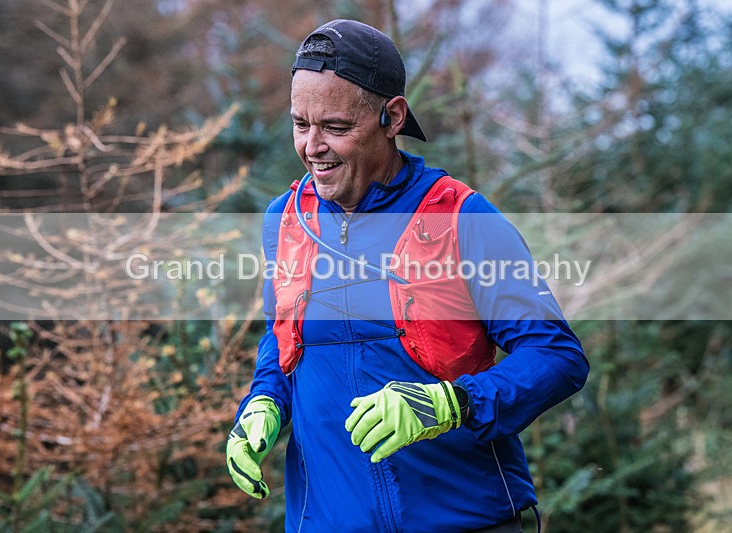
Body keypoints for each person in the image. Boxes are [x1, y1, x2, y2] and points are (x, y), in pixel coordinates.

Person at [226, 19, 589, 533]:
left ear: (392, 116)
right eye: (299, 124)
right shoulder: (284, 220)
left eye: (335, 127)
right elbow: (283, 339)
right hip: (327, 522)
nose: (312, 146)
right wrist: (263, 401)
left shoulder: (461, 217)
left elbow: (557, 357)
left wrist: (452, 403)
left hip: (466, 520)